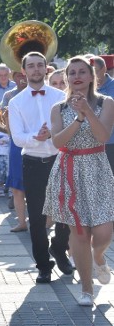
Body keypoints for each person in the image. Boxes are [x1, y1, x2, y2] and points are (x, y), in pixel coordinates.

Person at [44, 56, 114, 306]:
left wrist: (87, 111)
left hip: (96, 168)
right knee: (80, 233)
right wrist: (78, 118)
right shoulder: (58, 109)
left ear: (91, 76)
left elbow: (102, 136)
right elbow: (58, 142)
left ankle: (99, 257)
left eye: (82, 71)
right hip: (69, 170)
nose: (77, 76)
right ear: (66, 78)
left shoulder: (106, 103)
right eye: (71, 72)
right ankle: (86, 289)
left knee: (104, 232)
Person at [9, 51, 74, 283]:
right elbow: (17, 137)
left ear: (46, 68)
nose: (36, 70)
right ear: (23, 71)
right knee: (37, 216)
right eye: (31, 66)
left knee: (66, 211)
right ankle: (43, 266)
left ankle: (59, 247)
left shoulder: (61, 96)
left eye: (40, 65)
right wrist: (37, 137)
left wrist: (55, 135)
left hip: (60, 158)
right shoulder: (16, 102)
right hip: (33, 161)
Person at [0, 73, 29, 232]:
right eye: (18, 75)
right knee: (17, 186)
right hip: (17, 143)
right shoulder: (9, 95)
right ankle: (22, 222)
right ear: (13, 77)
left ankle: (42, 220)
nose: (22, 77)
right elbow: (5, 126)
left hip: (39, 143)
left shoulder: (40, 93)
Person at [0, 129, 11, 196]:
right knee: (1, 172)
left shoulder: (10, 128)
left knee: (9, 172)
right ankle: (1, 187)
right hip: (0, 153)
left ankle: (10, 189)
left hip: (9, 153)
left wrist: (7, 140)